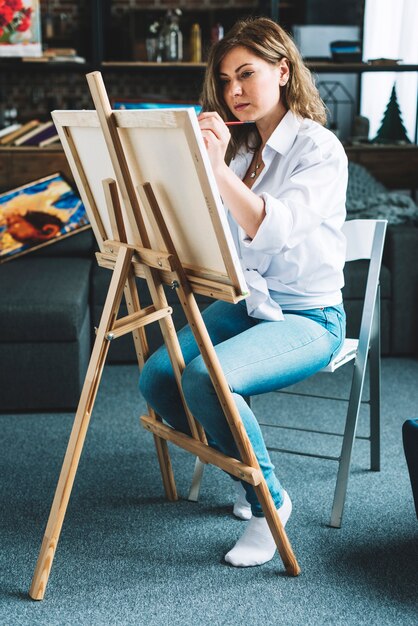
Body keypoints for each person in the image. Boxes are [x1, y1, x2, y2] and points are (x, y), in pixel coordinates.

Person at [139, 16, 347, 568]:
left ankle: (268, 500)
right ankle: (240, 457)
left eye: (246, 74)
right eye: (226, 79)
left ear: (283, 71)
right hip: (249, 302)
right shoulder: (239, 147)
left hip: (309, 316)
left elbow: (270, 227)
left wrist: (215, 168)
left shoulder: (319, 149)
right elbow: (217, 235)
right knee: (158, 378)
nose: (233, 90)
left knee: (209, 378)